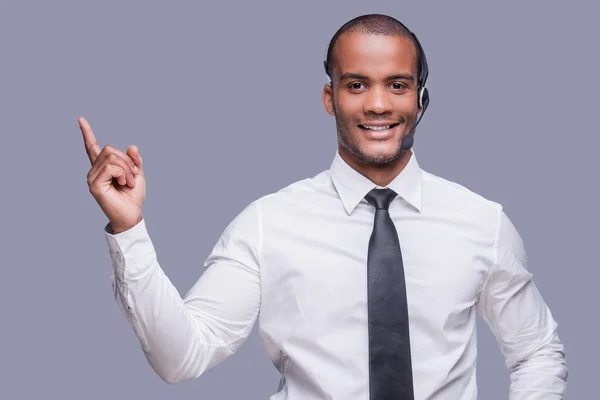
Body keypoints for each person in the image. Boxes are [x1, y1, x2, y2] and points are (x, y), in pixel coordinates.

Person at [80, 13, 567, 400]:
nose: (378, 104)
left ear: (421, 100)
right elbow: (181, 357)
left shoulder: (481, 222)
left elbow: (537, 351)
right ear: (329, 98)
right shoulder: (268, 224)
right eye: (357, 85)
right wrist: (129, 228)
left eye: (397, 85)